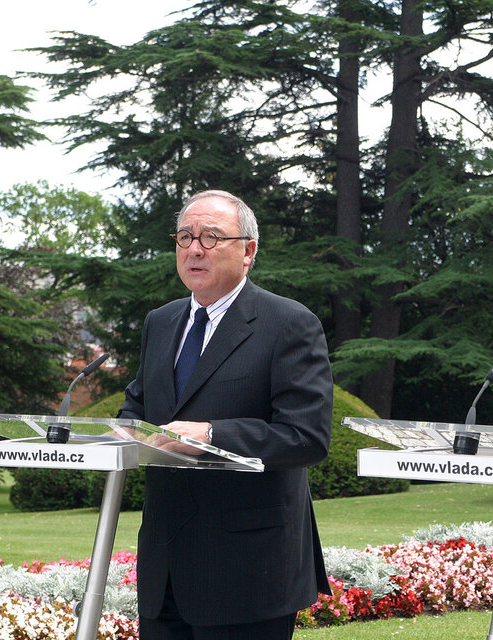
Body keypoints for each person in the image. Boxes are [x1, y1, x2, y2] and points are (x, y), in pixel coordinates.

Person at [117, 190, 333, 640]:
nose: (195, 249)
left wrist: (210, 433)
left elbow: (306, 435)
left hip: (249, 570)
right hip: (165, 567)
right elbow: (136, 409)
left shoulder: (289, 323)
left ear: (248, 251)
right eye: (185, 237)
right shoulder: (160, 322)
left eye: (212, 237)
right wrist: (117, 434)